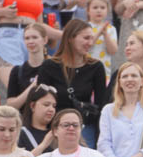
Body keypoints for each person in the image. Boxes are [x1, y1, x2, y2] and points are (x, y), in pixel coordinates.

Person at [36, 20, 110, 149]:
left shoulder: (96, 67)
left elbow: (101, 104)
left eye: (92, 38)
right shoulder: (49, 66)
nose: (90, 43)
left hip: (84, 127)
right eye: (86, 38)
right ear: (70, 38)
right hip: (55, 128)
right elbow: (41, 101)